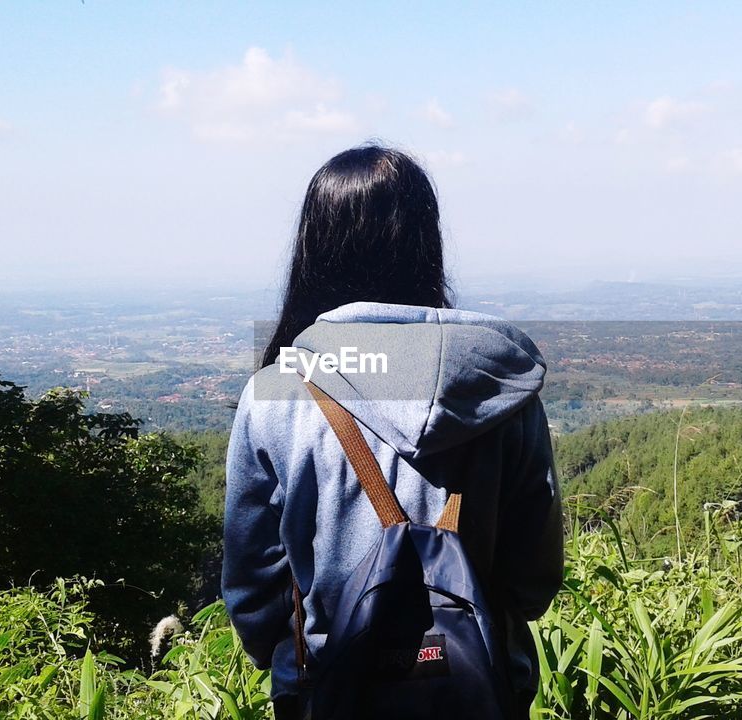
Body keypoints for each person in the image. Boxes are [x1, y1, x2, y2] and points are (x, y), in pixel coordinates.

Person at [222, 144, 563, 719]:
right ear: (425, 241)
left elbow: (254, 591)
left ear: (317, 248)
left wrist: (294, 656)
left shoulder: (276, 395)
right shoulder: (503, 391)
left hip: (327, 691)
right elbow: (533, 582)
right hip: (481, 690)